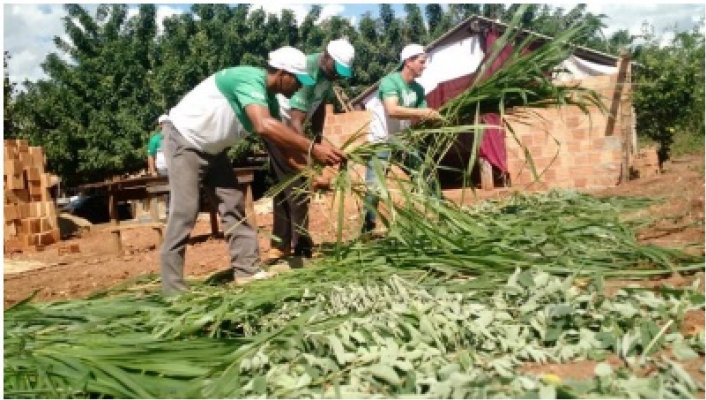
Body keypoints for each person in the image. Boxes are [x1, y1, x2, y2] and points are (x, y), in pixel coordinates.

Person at [160, 46, 345, 295]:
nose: (300, 86)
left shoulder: (268, 101)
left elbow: (285, 150)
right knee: (185, 211)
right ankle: (172, 289)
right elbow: (263, 125)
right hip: (185, 141)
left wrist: (312, 173)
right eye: (298, 80)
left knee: (233, 203)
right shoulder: (248, 79)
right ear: (283, 74)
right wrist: (314, 148)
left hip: (214, 150)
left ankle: (246, 271)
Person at [265, 38, 355, 261]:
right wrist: (311, 155)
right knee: (299, 184)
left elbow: (319, 108)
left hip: (293, 129)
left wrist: (318, 139)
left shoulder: (327, 76)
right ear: (327, 57)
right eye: (337, 69)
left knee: (285, 185)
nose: (338, 75)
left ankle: (281, 244)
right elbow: (295, 121)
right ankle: (301, 244)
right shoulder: (308, 71)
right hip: (281, 126)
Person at [362, 44, 443, 233]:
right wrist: (423, 112)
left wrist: (434, 118)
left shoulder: (418, 89)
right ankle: (368, 227)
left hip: (404, 142)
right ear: (408, 62)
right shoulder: (389, 82)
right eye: (421, 62)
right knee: (374, 187)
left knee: (425, 175)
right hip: (381, 141)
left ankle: (443, 216)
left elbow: (420, 118)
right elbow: (392, 110)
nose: (424, 66)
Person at [147, 114, 170, 218]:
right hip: (162, 170)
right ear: (160, 125)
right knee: (167, 191)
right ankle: (169, 212)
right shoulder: (155, 139)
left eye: (168, 123)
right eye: (164, 123)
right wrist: (153, 171)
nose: (166, 125)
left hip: (175, 169)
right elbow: (150, 156)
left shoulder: (175, 137)